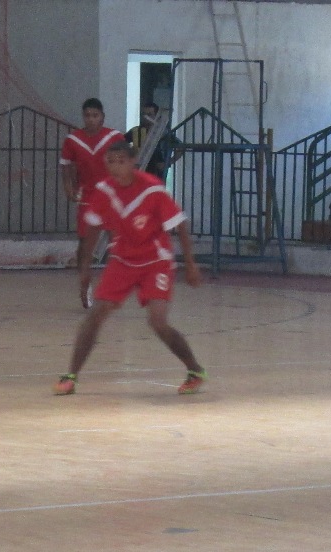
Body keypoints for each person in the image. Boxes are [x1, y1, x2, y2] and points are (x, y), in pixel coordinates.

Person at [52, 141, 208, 396]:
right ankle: (71, 376)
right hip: (122, 259)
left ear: (134, 162)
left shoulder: (152, 189)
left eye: (121, 161)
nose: (115, 167)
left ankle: (194, 369)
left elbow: (179, 224)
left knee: (158, 322)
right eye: (110, 162)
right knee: (96, 314)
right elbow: (92, 228)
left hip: (155, 261)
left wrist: (190, 264)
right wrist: (85, 268)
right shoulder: (104, 190)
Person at [60, 98, 124, 307]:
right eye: (87, 115)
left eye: (95, 115)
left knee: (116, 242)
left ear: (102, 117)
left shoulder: (114, 138)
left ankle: (114, 285)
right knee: (85, 245)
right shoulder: (73, 140)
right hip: (87, 198)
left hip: (111, 197)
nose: (91, 119)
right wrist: (69, 187)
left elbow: (125, 164)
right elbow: (66, 166)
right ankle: (85, 283)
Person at [124, 102, 180, 179]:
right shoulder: (135, 131)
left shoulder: (163, 132)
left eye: (149, 114)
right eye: (144, 114)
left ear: (156, 116)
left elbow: (180, 148)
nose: (146, 117)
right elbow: (120, 144)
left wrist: (168, 163)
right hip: (139, 169)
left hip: (157, 172)